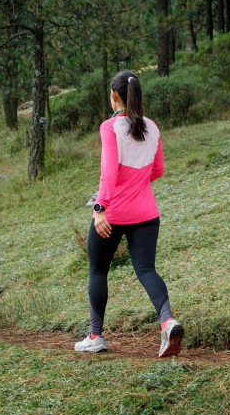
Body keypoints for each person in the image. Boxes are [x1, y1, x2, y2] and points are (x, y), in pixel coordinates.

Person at [74, 69, 184, 358]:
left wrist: (100, 209)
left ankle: (95, 335)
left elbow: (108, 172)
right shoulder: (152, 127)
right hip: (147, 212)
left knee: (98, 269)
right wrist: (136, 185)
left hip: (113, 214)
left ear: (114, 96)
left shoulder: (109, 127)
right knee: (146, 269)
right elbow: (158, 170)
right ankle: (168, 321)